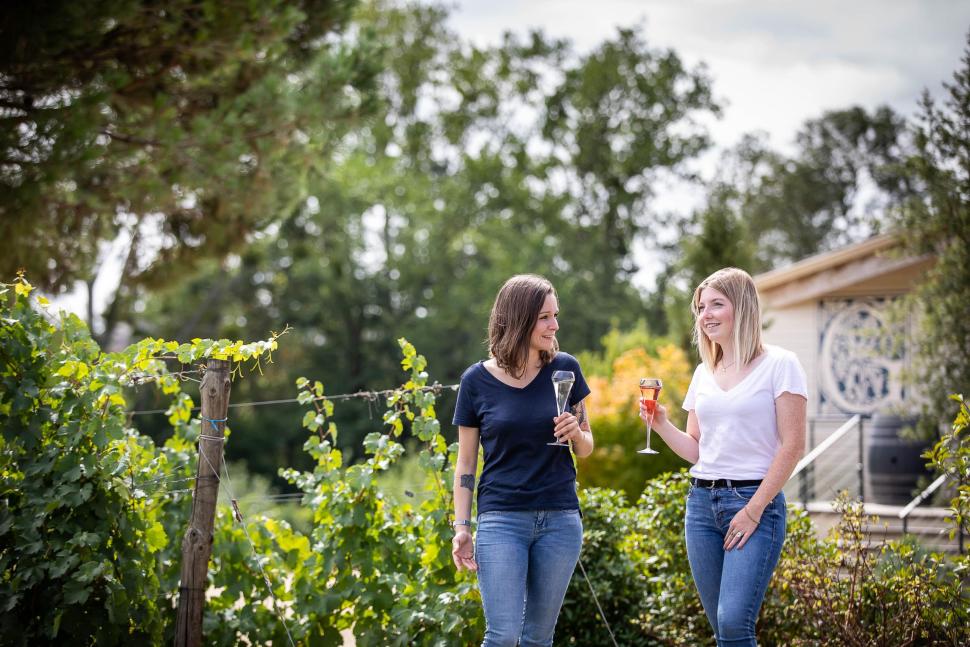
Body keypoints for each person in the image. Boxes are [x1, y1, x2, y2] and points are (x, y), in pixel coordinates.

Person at [640, 267, 807, 647]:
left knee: (733, 623)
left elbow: (793, 445)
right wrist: (662, 423)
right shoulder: (704, 372)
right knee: (721, 628)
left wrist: (753, 510)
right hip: (700, 504)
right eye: (701, 307)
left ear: (743, 308)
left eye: (717, 304)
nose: (706, 314)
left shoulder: (781, 364)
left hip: (753, 504)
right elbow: (696, 449)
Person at [451, 274, 594, 647]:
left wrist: (577, 433)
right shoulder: (475, 381)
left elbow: (587, 446)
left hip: (560, 520)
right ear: (519, 319)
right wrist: (462, 526)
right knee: (503, 635)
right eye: (545, 317)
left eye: (555, 315)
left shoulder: (565, 369)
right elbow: (466, 464)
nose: (555, 325)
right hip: (502, 520)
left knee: (538, 638)